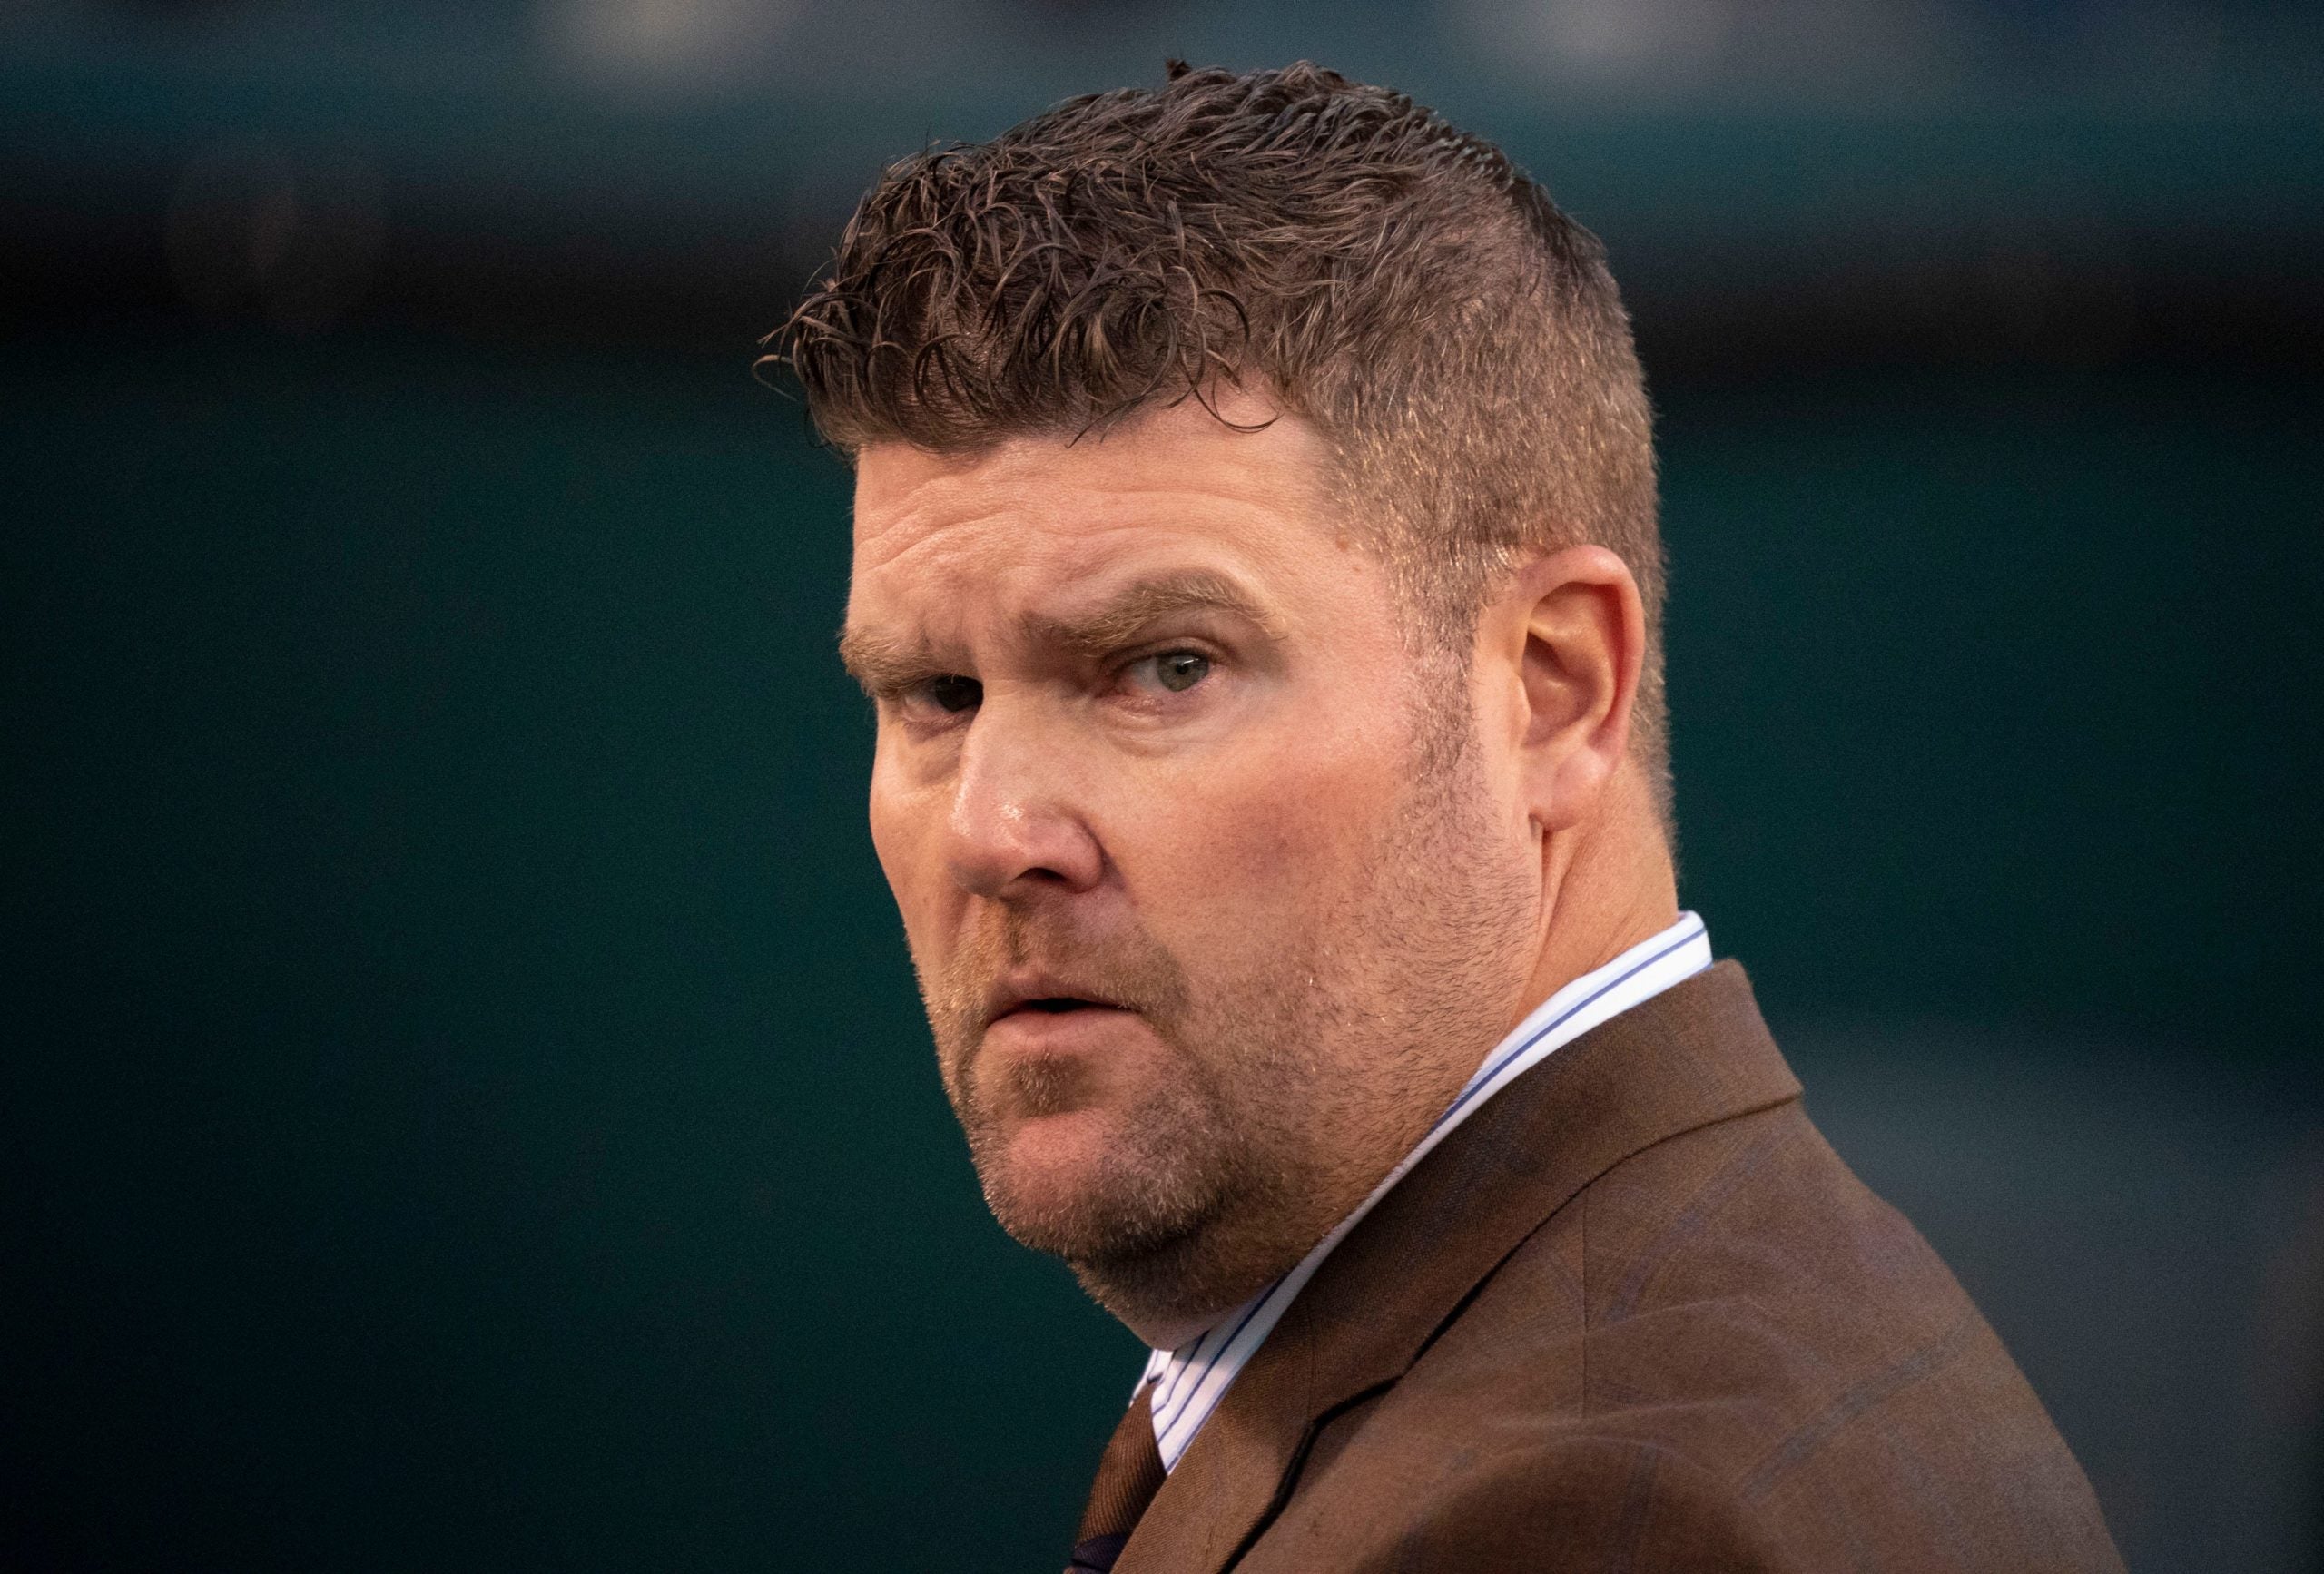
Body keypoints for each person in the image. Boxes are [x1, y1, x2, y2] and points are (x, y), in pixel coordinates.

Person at [767, 60, 2123, 1574]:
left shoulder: (1607, 1517)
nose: (994, 828)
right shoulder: (1565, 1367)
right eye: (938, 694)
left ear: (1552, 691)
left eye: (1165, 667)